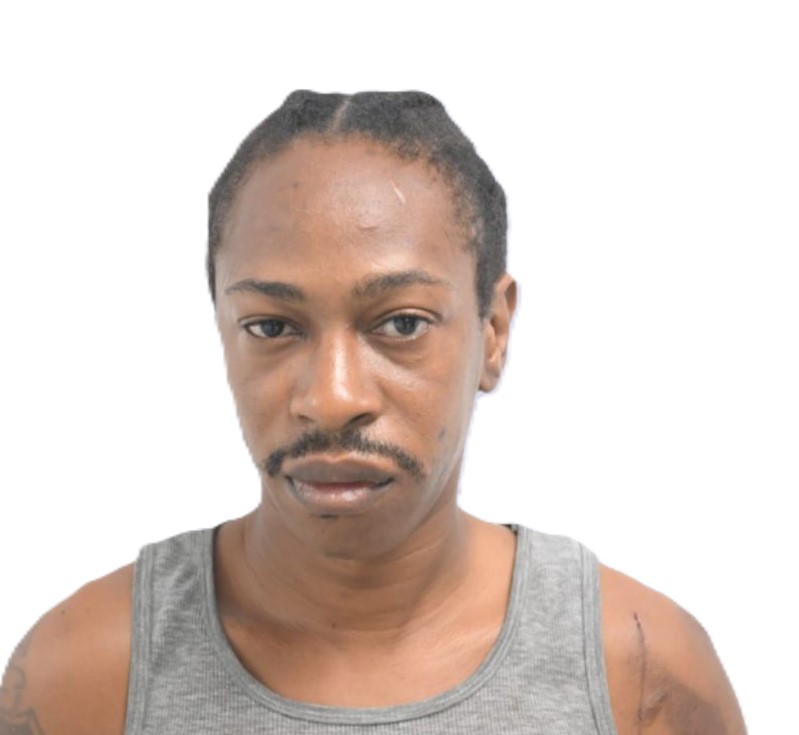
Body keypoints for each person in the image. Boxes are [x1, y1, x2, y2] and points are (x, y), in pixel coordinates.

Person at [1, 90, 746, 735]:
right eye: (272, 326)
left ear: (492, 332)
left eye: (401, 323)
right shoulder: (86, 672)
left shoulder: (637, 669)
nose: (332, 397)